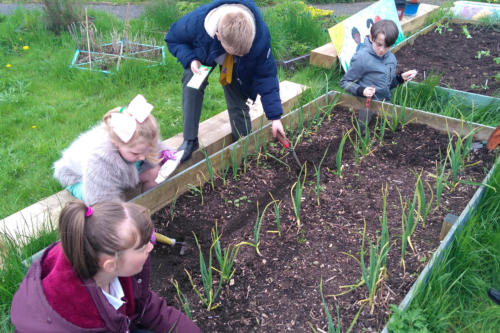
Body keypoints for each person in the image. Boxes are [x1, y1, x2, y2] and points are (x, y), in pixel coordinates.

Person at [10, 200, 200, 332]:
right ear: (110, 264)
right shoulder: (75, 319)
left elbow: (146, 305)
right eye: (142, 246)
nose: (151, 246)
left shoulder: (108, 267)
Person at [165, 0, 286, 163]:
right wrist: (191, 59)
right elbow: (173, 38)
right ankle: (190, 140)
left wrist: (275, 118)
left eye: (244, 53)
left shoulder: (259, 37)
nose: (240, 55)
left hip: (236, 64)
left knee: (235, 88)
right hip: (205, 53)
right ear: (218, 36)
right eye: (236, 53)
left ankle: (243, 142)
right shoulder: (197, 23)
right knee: (192, 81)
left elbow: (267, 77)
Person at [53, 94, 175, 205]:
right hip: (80, 178)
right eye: (136, 153)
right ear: (116, 144)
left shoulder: (137, 141)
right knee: (104, 204)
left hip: (118, 166)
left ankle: (150, 206)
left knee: (154, 172)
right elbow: (102, 201)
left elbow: (152, 146)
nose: (143, 156)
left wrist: (163, 152)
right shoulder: (100, 159)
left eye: (146, 150)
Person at [340, 19, 417, 128]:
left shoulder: (391, 59)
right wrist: (362, 90)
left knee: (387, 131)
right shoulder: (361, 57)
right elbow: (345, 82)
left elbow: (387, 85)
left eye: (387, 46)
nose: (382, 50)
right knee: (362, 129)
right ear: (371, 38)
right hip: (366, 104)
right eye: (379, 44)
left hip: (385, 102)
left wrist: (400, 78)